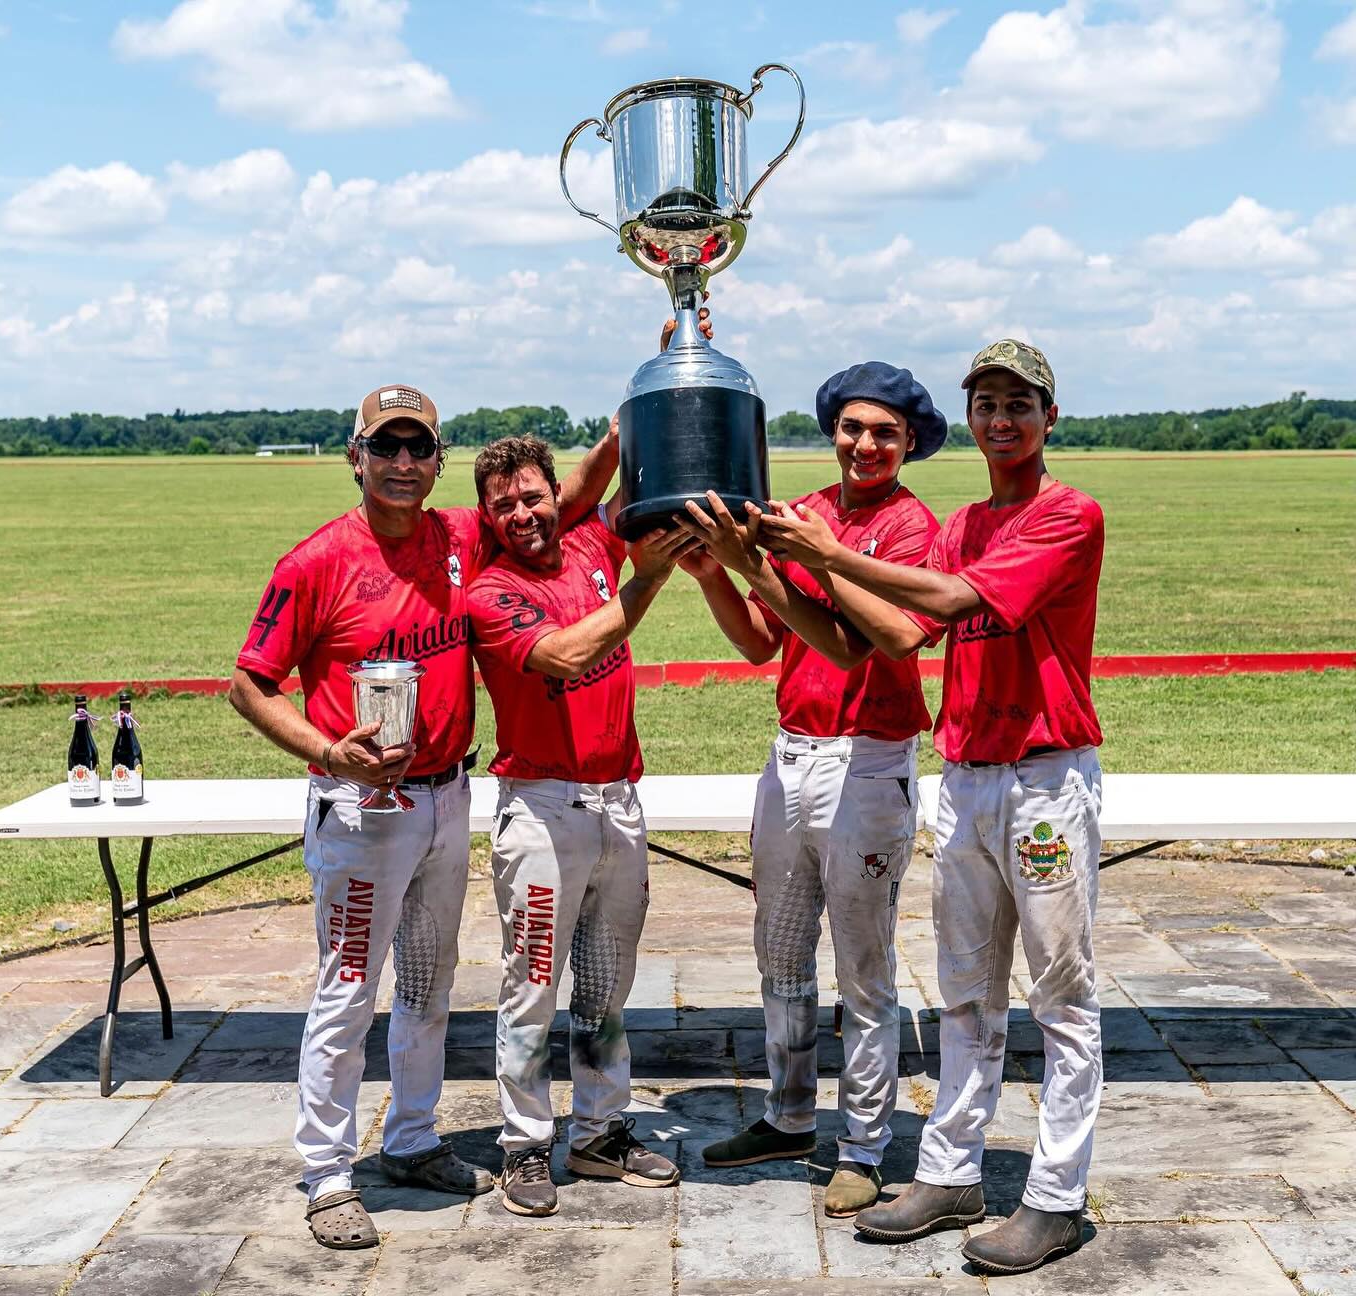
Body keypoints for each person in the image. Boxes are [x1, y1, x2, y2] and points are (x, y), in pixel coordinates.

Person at [230, 384, 618, 1249]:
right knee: (346, 991)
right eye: (386, 447)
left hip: (447, 795)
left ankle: (410, 1138)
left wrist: (634, 413)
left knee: (430, 985)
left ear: (438, 461)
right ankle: (329, 1173)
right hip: (363, 804)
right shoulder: (315, 561)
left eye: (419, 449)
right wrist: (329, 751)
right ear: (355, 455)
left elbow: (576, 496)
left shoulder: (459, 534)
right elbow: (248, 683)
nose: (403, 464)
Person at [760, 339, 1104, 1276]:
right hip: (968, 773)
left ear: (1048, 418)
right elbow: (894, 632)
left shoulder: (1068, 514)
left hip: (1043, 777)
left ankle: (1058, 1196)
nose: (1002, 421)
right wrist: (776, 565)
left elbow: (951, 600)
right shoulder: (959, 523)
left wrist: (827, 551)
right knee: (964, 992)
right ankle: (952, 1170)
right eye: (987, 404)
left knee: (1061, 997)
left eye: (1018, 405)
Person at [674, 363, 945, 1219]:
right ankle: (790, 1116)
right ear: (833, 429)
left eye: (886, 434)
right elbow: (764, 646)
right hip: (792, 751)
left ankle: (863, 1144)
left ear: (909, 444)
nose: (866, 446)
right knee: (781, 953)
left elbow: (862, 646)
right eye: (853, 428)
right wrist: (719, 570)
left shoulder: (910, 527)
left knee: (863, 968)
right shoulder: (807, 513)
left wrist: (795, 565)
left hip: (870, 758)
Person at [467, 434, 698, 1217]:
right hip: (541, 807)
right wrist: (648, 584)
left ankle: (600, 1132)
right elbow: (566, 655)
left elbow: (610, 458)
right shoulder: (489, 592)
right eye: (504, 506)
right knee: (531, 983)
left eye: (533, 496)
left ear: (554, 493)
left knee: (606, 987)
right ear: (488, 518)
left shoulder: (593, 537)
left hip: (617, 802)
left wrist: (657, 375)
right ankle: (525, 1146)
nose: (523, 514)